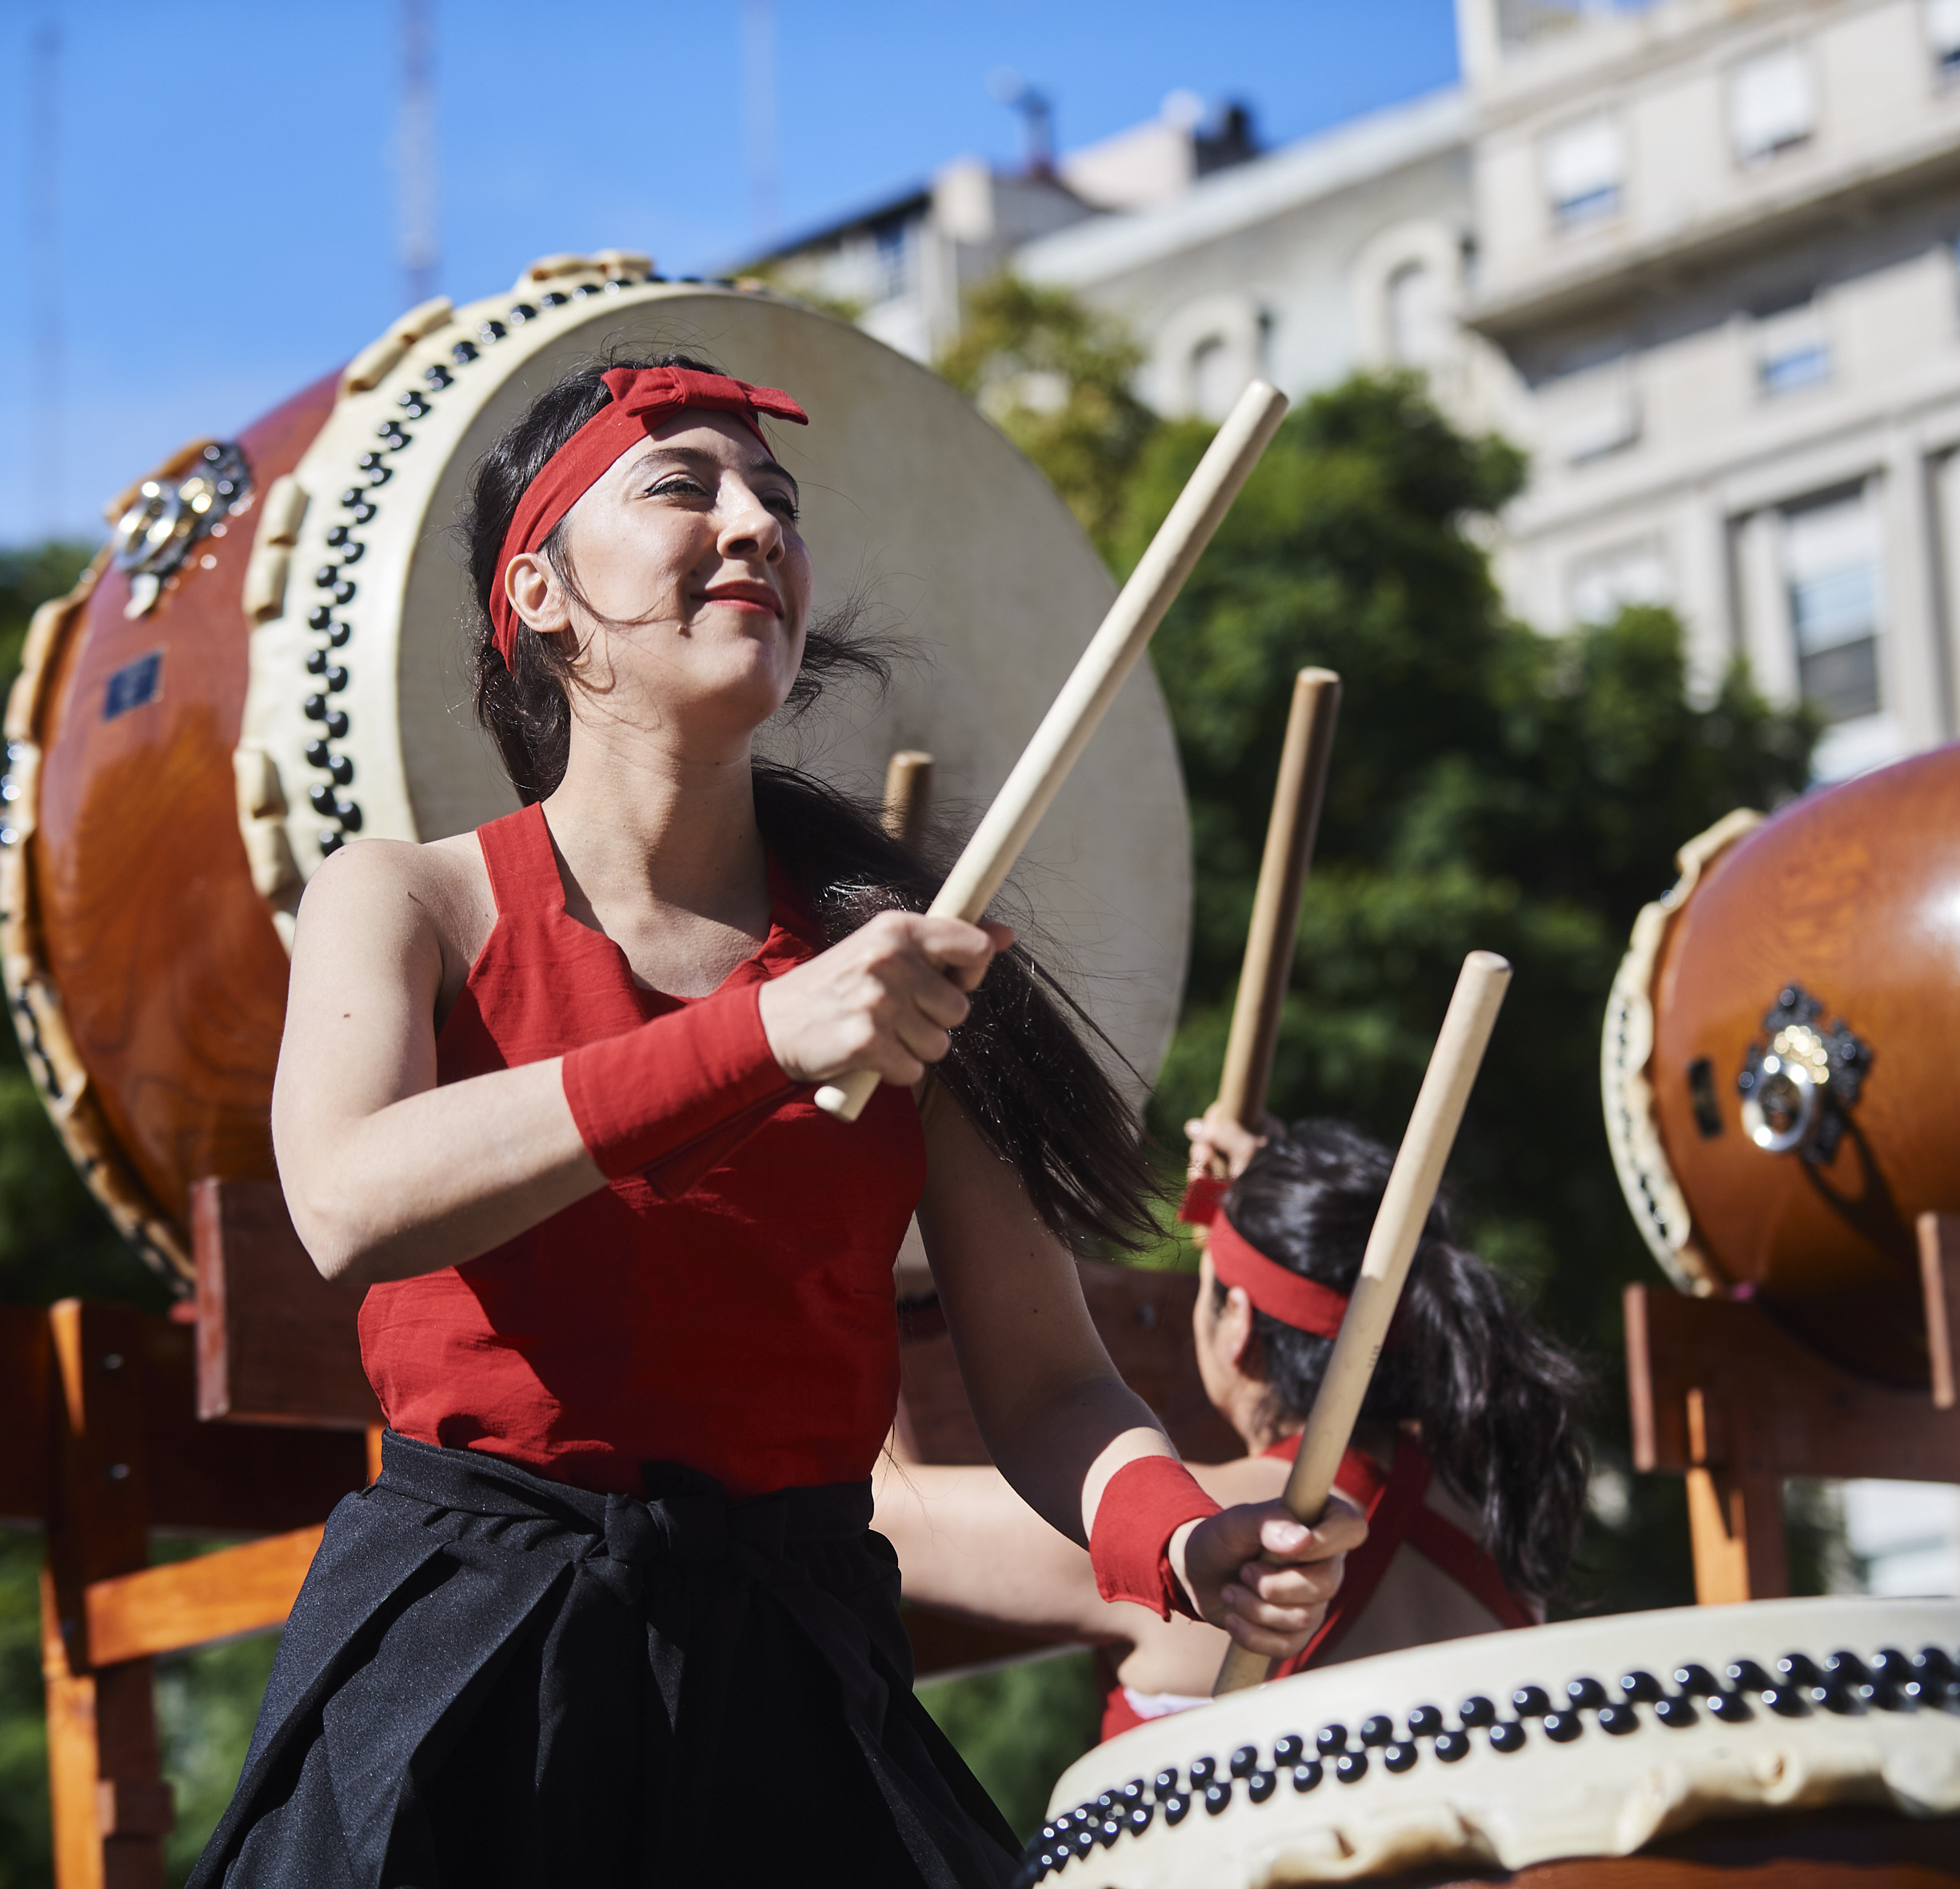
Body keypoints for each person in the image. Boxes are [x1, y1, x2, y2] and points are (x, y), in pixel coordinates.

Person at [183, 353, 1362, 1889]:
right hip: (469, 1663)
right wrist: (756, 1034)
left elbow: (1048, 1381)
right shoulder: (407, 899)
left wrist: (1173, 1537)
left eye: (777, 502)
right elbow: (347, 1198)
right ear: (535, 592)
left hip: (795, 1675)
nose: (751, 523)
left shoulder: (893, 955)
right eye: (684, 486)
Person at [873, 1116, 1589, 1740]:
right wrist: (1261, 1196)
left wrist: (858, 1256)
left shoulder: (1207, 1537)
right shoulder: (1493, 1502)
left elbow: (885, 1511)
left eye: (1207, 1279)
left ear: (1239, 1326)